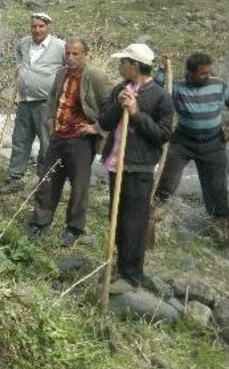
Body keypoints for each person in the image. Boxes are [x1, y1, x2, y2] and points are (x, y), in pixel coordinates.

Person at [98, 44, 173, 293]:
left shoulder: (160, 96)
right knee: (117, 218)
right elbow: (104, 122)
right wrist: (119, 105)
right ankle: (121, 266)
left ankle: (132, 276)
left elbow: (163, 134)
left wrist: (136, 112)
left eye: (123, 62)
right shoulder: (120, 89)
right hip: (116, 164)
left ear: (135, 65)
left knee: (134, 222)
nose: (120, 66)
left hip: (139, 167)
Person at [28, 38, 112, 246]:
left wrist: (96, 127)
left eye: (76, 54)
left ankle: (74, 228)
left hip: (81, 139)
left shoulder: (96, 76)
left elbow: (111, 106)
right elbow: (52, 97)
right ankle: (40, 222)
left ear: (85, 55)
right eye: (67, 53)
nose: (70, 58)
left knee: (79, 185)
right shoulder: (61, 73)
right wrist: (50, 118)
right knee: (48, 179)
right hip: (59, 135)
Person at [155, 52, 228, 224]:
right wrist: (163, 69)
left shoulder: (219, 85)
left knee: (216, 188)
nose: (207, 75)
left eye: (208, 71)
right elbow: (157, 91)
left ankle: (220, 222)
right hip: (183, 142)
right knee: (167, 180)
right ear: (191, 72)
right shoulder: (179, 88)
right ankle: (155, 210)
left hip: (213, 143)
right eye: (203, 73)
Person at [0, 13, 65, 194]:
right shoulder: (24, 43)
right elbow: (19, 60)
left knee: (46, 142)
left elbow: (68, 69)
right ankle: (15, 178)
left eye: (41, 26)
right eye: (34, 26)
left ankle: (44, 181)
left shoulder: (60, 46)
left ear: (49, 27)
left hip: (46, 103)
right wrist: (19, 69)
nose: (37, 30)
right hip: (25, 101)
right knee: (20, 140)